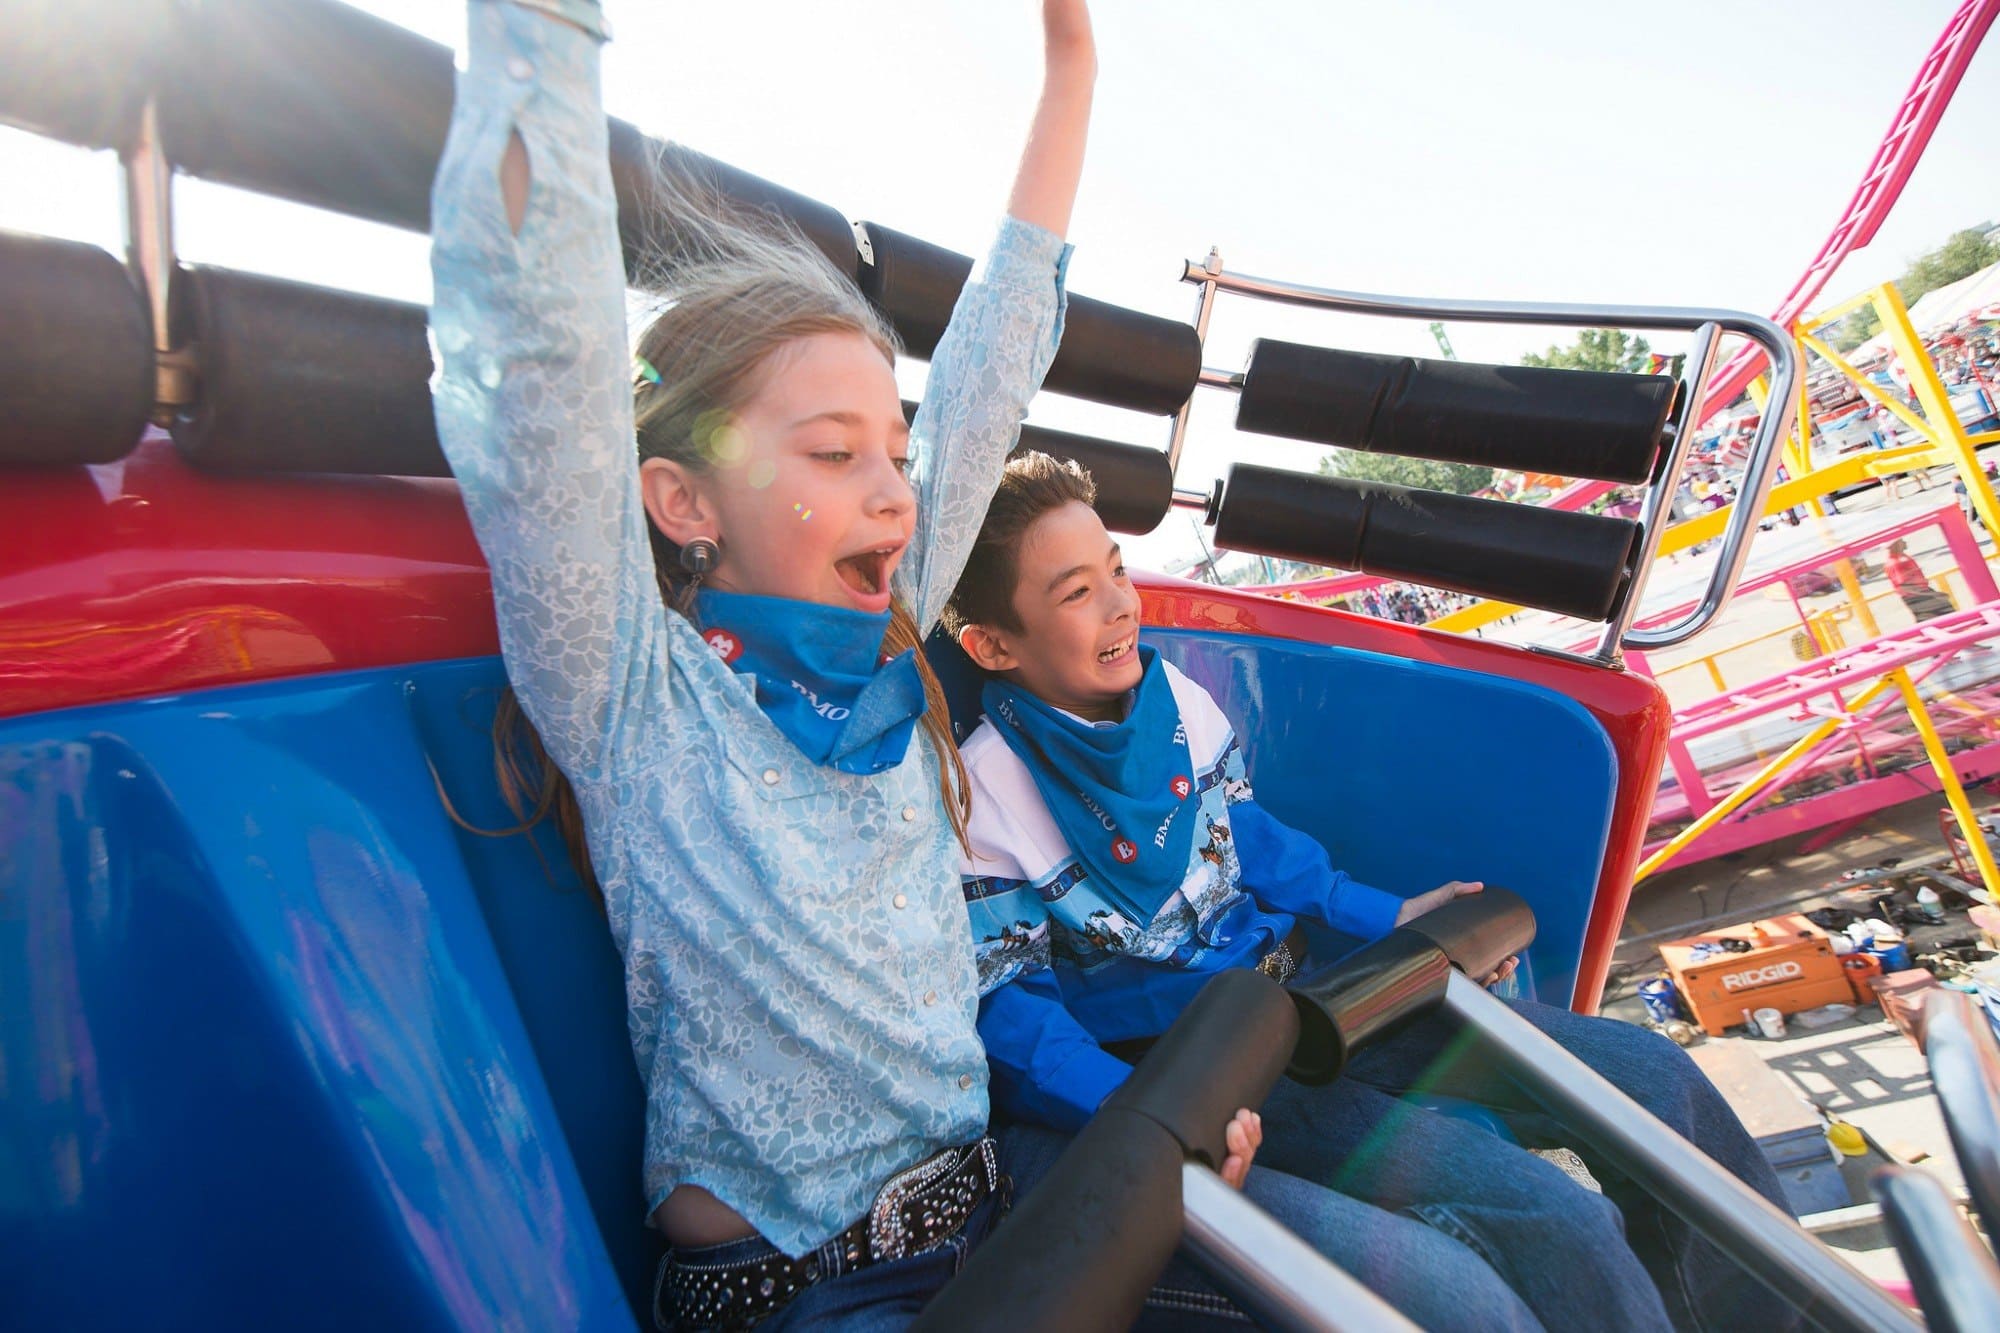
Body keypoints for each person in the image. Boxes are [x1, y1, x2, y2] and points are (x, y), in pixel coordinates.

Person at [428, 5, 1540, 1330]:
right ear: (680, 501)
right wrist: (543, 32)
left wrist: (1073, 66)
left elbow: (994, 357)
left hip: (1016, 1208)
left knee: (1464, 1306)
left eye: (896, 454)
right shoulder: (639, 701)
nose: (896, 492)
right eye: (836, 455)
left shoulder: (888, 656)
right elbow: (537, 370)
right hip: (808, 1295)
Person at [943, 452, 1806, 1333]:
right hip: (1208, 1067)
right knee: (1558, 1219)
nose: (1122, 603)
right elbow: (1018, 1022)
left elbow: (1251, 841)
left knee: (1652, 1077)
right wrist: (1152, 1125)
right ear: (993, 645)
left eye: (1117, 570)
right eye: (1076, 592)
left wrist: (1387, 915)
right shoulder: (986, 802)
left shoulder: (1172, 695)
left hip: (1311, 1003)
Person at [1887, 539, 1953, 621]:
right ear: (1896, 544)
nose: (1905, 542)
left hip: (1919, 595)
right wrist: (1931, 594)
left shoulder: (1900, 558)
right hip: (1918, 596)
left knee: (1935, 617)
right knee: (1946, 613)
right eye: (1901, 541)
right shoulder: (1897, 562)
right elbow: (1904, 585)